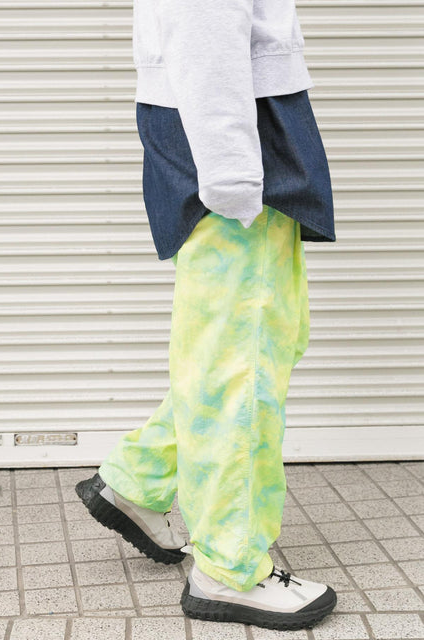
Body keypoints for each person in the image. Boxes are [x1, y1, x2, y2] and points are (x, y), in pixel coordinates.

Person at [76, 0, 338, 630]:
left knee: (242, 350)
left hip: (237, 144)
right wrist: (235, 183)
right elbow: (203, 32)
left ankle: (139, 480)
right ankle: (229, 568)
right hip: (237, 158)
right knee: (241, 367)